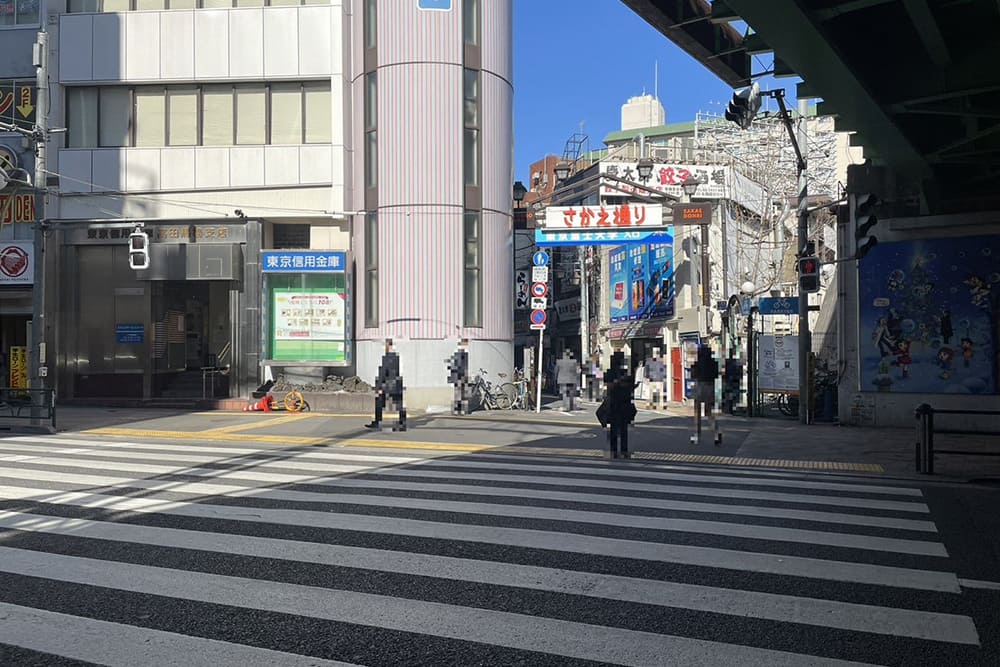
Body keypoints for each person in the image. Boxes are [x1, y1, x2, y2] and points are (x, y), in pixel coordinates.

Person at [598, 351, 637, 459]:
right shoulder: (624, 373)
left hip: (614, 404)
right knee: (622, 429)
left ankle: (614, 451)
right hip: (623, 403)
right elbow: (629, 386)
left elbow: (608, 387)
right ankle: (623, 451)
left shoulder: (611, 373)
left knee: (614, 429)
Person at [366, 338, 407, 432]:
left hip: (387, 385)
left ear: (388, 346)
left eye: (385, 345)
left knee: (379, 403)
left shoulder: (387, 358)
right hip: (397, 384)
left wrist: (379, 386)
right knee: (399, 404)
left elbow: (383, 372)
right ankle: (402, 423)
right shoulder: (397, 357)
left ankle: (377, 422)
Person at [690, 345, 721, 445]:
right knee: (710, 412)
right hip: (711, 386)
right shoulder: (714, 363)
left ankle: (697, 435)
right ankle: (716, 433)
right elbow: (717, 375)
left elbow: (693, 374)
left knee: (697, 413)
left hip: (700, 386)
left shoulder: (697, 363)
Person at [446, 338, 470, 415]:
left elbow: (460, 366)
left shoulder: (460, 354)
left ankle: (458, 410)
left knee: (459, 394)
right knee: (459, 394)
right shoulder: (460, 354)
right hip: (459, 376)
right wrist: (463, 377)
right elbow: (461, 367)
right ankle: (459, 410)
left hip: (458, 377)